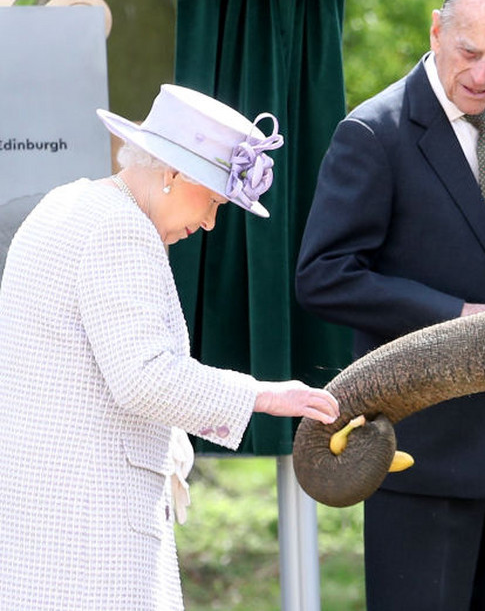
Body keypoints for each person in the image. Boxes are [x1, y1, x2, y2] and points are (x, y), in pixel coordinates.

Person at [0, 84, 340, 610]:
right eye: (213, 203)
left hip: (43, 520)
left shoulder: (65, 202)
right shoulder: (121, 228)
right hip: (91, 535)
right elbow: (145, 378)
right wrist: (266, 395)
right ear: (175, 173)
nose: (208, 223)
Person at [295, 0, 485, 608]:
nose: (481, 75)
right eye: (469, 52)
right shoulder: (372, 132)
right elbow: (324, 274)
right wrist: (455, 319)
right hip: (418, 458)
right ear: (436, 31)